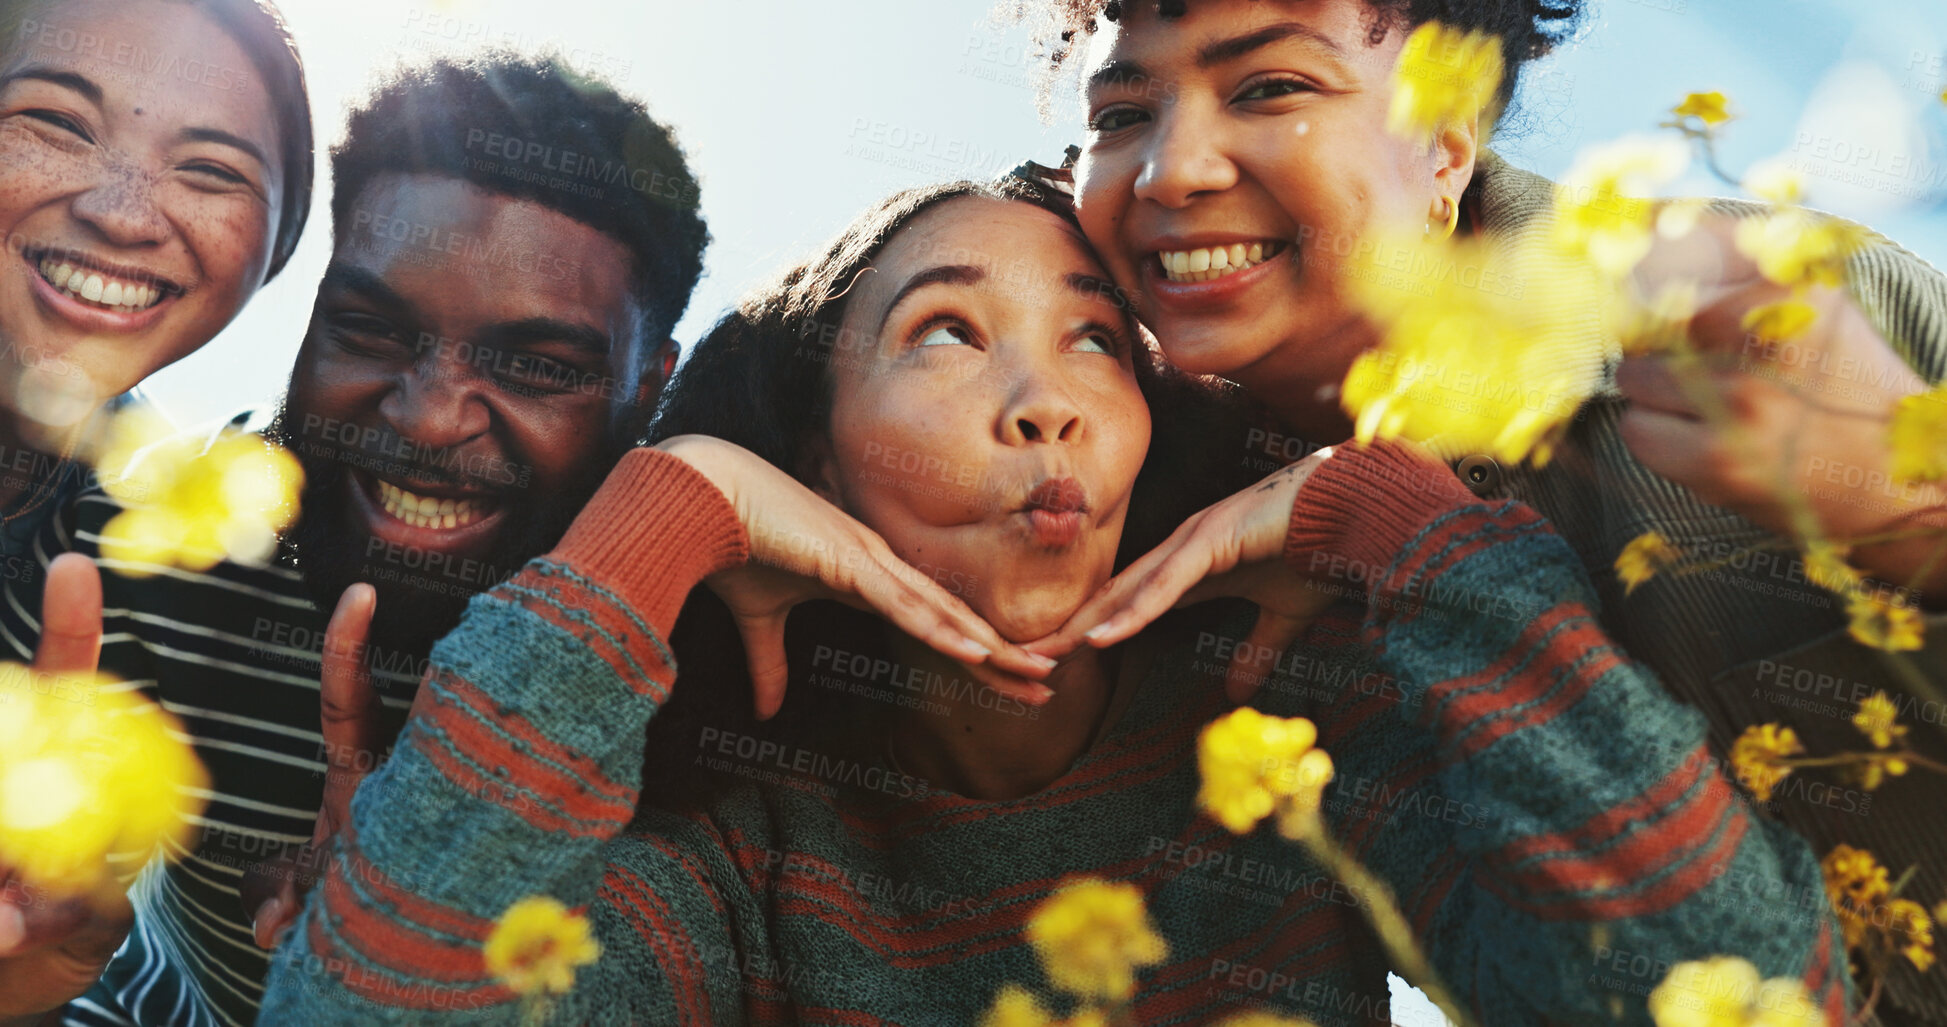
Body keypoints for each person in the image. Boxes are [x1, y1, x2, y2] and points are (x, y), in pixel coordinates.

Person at [255, 176, 1844, 1026]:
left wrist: (1403, 522)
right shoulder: (749, 856)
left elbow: (1743, 998)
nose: (1048, 401)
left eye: (1097, 340)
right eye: (947, 333)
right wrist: (666, 510)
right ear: (810, 451)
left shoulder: (1289, 755)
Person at [1019, 2, 1946, 1020]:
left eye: (1269, 88)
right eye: (1119, 116)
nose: (1171, 172)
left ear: (1446, 144)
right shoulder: (1174, 576)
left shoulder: (1798, 312)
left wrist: (1914, 510)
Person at [0, 53, 717, 1027]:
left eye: (534, 366)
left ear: (646, 385)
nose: (427, 419)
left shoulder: (723, 644)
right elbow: (64, 954)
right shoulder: (135, 547)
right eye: (371, 329)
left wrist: (415, 922)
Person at [0, 0, 311, 559]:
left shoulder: (191, 545)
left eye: (211, 170)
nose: (122, 216)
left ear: (280, 248)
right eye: (59, 124)